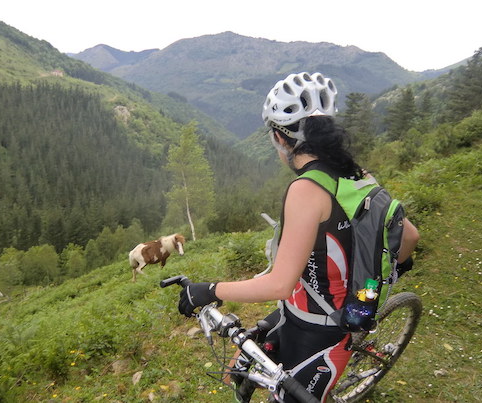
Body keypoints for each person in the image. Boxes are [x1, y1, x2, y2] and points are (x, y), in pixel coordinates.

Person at [177, 72, 420, 402]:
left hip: (322, 330)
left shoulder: (306, 190)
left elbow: (279, 283)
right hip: (319, 310)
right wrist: (389, 273)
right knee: (242, 369)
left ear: (280, 137)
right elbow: (410, 235)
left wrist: (208, 290)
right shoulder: (357, 175)